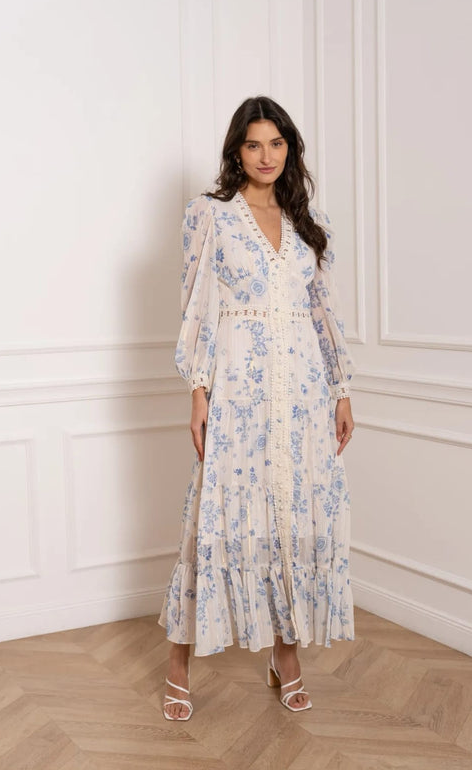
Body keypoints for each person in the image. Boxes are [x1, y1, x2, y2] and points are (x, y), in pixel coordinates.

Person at [158, 95, 356, 721]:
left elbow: (323, 311)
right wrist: (198, 390)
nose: (266, 156)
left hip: (303, 391)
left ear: (289, 148)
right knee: (214, 515)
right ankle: (179, 664)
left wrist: (341, 388)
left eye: (276, 143)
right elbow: (196, 306)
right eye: (253, 144)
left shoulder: (309, 221)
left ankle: (285, 657)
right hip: (239, 388)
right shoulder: (210, 215)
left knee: (292, 516)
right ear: (236, 151)